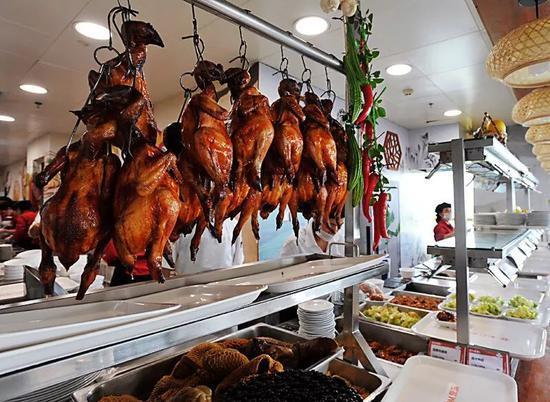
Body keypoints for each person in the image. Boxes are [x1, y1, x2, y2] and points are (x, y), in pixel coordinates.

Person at [172, 219, 244, 274]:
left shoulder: (233, 225)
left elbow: (237, 266)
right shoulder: (180, 225)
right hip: (187, 287)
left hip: (224, 286)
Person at [280, 219, 345, 257]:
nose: (335, 231)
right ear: (316, 217)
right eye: (331, 224)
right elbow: (284, 274)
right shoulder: (293, 244)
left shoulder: (341, 238)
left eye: (340, 225)